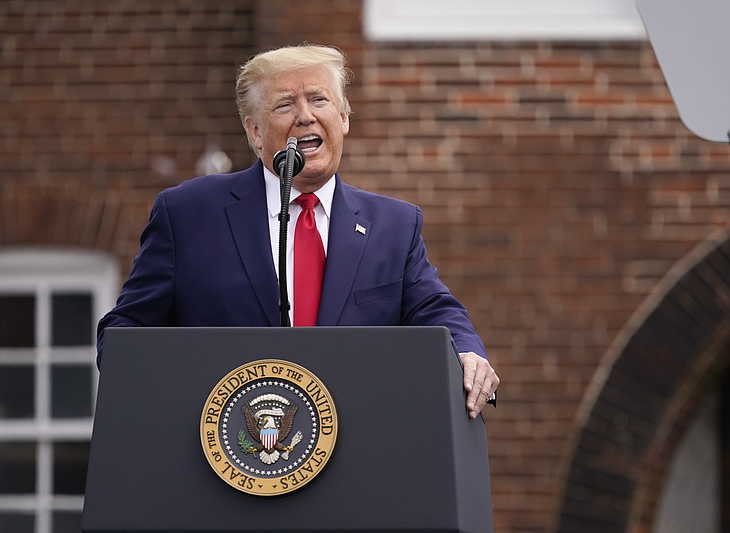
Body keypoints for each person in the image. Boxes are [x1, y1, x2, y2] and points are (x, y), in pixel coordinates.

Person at [96, 44, 499, 418]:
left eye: (319, 99)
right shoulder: (187, 214)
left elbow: (434, 310)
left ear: (343, 119)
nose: (305, 115)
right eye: (285, 104)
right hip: (225, 452)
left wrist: (466, 352)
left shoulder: (394, 225)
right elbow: (125, 334)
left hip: (354, 453)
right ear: (254, 132)